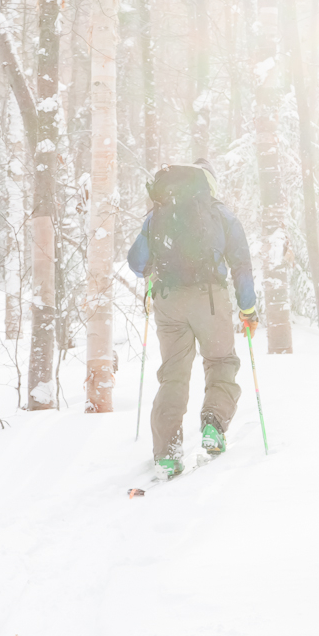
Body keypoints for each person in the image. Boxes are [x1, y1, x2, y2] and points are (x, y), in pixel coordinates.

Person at [127, 159, 258, 477]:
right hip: (209, 300)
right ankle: (214, 425)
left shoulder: (159, 212)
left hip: (169, 301)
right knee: (221, 362)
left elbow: (136, 262)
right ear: (209, 183)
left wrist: (154, 273)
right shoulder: (219, 212)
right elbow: (241, 262)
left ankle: (167, 453)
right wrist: (248, 308)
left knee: (173, 375)